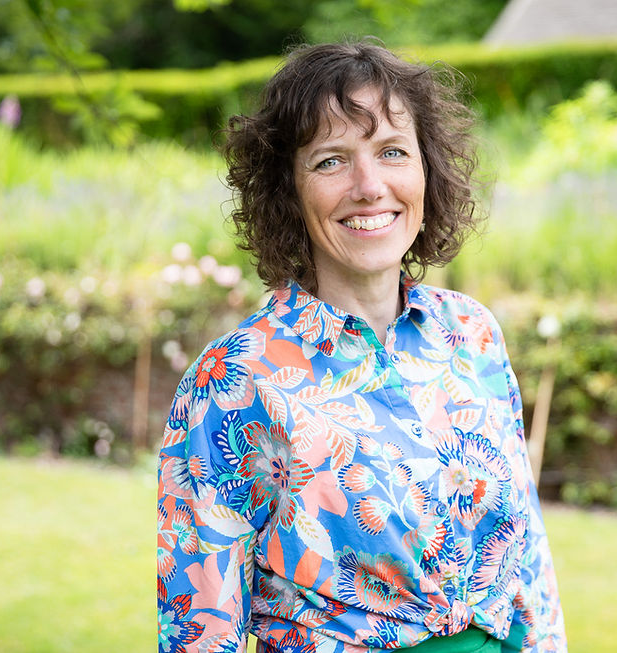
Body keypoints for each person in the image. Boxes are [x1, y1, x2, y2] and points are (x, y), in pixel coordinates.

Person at [157, 41, 566, 653]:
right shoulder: (234, 380)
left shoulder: (473, 335)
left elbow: (528, 562)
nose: (370, 186)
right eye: (331, 161)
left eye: (393, 152)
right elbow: (199, 631)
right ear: (288, 191)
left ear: (427, 170)